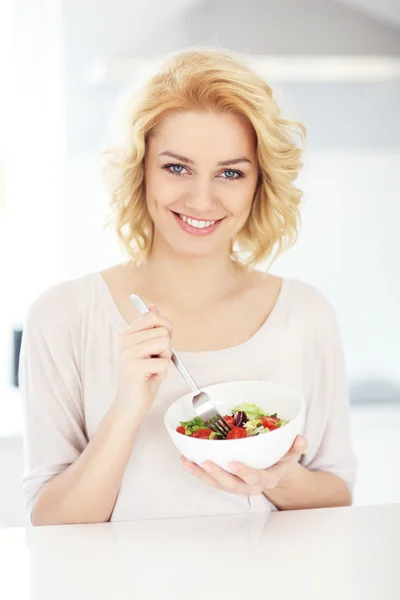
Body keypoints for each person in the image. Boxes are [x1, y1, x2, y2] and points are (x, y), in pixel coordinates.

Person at [20, 48, 356, 526]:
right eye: (177, 167)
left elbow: (337, 494)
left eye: (230, 172)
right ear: (140, 170)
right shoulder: (63, 317)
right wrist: (127, 409)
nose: (202, 199)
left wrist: (273, 476)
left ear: (261, 183)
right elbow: (50, 522)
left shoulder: (304, 313)